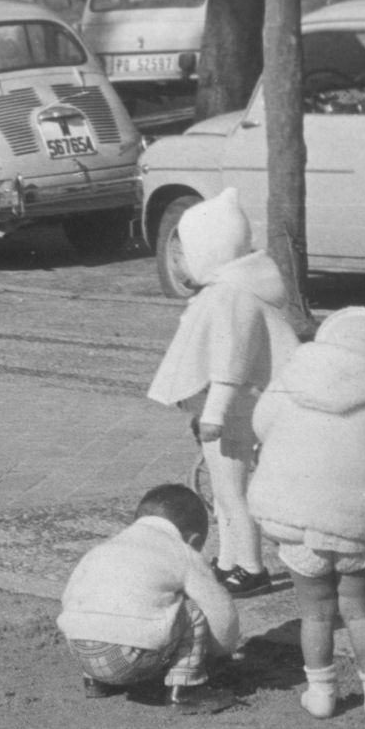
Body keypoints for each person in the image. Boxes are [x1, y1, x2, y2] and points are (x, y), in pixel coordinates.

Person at [247, 307, 365, 718]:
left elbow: (261, 427)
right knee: (360, 607)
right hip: (354, 525)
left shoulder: (286, 387)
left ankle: (322, 693)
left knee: (315, 611)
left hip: (293, 521)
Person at [146, 188, 302, 596]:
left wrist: (212, 412)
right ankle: (230, 559)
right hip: (238, 408)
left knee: (233, 492)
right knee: (225, 490)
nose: (179, 266)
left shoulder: (232, 296)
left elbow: (230, 362)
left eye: (182, 256)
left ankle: (250, 566)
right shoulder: (233, 290)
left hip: (236, 411)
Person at [57, 483, 242, 713]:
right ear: (193, 541)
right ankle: (186, 691)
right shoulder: (181, 551)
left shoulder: (105, 548)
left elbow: (69, 598)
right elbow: (220, 611)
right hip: (128, 661)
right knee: (193, 609)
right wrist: (221, 650)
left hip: (82, 652)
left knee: (101, 599)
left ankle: (97, 684)